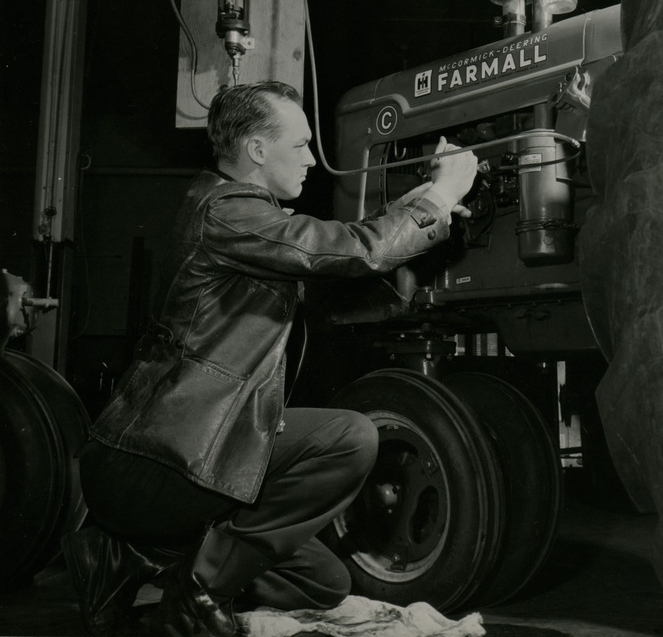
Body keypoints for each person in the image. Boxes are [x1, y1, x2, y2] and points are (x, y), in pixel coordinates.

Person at [63, 80, 478, 637]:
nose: (312, 159)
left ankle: (127, 555)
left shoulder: (251, 225)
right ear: (257, 150)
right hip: (158, 460)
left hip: (199, 454)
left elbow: (345, 271)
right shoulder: (226, 211)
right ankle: (198, 591)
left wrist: (418, 214)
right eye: (302, 143)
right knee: (351, 437)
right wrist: (438, 197)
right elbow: (350, 250)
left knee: (322, 583)